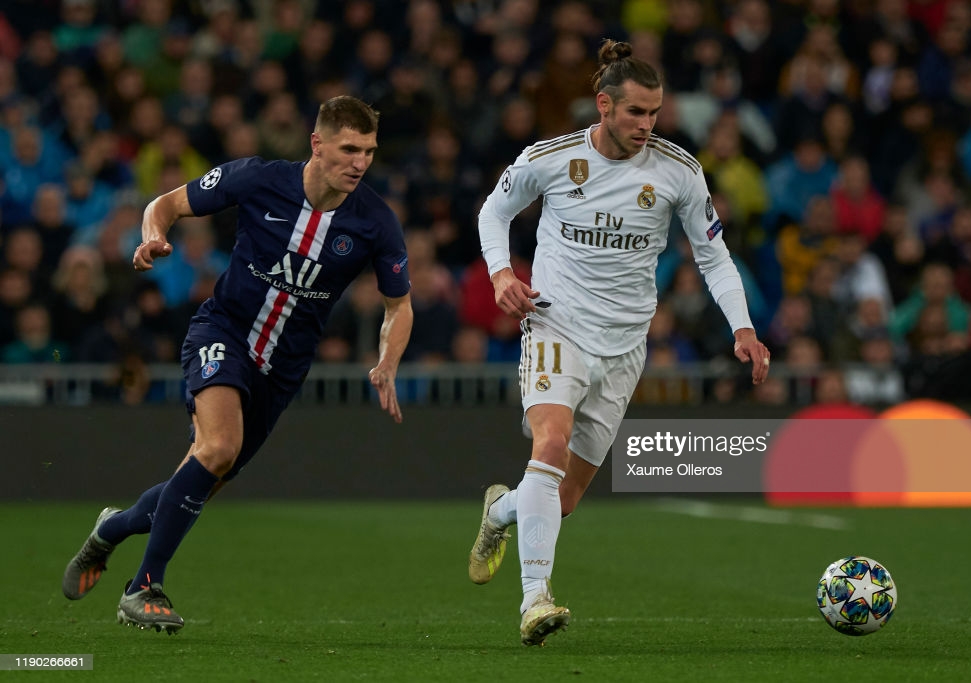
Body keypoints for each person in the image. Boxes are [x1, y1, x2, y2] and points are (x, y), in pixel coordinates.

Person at [61, 95, 413, 634]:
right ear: (317, 144)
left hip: (282, 371)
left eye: (367, 151)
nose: (359, 163)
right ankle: (142, 586)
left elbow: (398, 305)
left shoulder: (375, 222)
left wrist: (387, 360)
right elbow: (167, 203)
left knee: (203, 476)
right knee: (218, 448)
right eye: (348, 149)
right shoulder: (257, 178)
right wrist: (153, 234)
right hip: (223, 331)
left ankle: (114, 528)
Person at [467, 40, 770, 647]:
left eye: (654, 113)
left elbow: (713, 255)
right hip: (557, 324)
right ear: (603, 105)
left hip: (626, 344)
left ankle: (501, 511)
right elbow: (492, 213)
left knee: (565, 495)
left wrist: (743, 326)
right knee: (548, 444)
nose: (647, 125)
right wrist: (502, 273)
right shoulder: (550, 158)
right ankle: (535, 599)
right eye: (636, 113)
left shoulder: (679, 172)